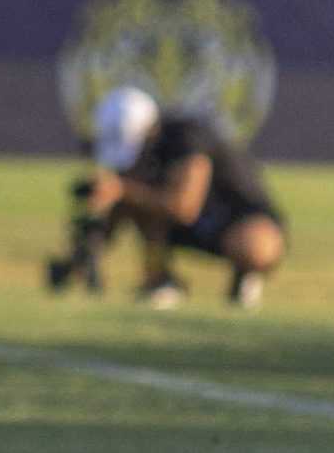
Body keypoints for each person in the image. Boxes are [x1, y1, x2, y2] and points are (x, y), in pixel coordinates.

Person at [82, 85, 285, 310]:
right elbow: (122, 200)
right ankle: (159, 279)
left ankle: (244, 277)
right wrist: (91, 242)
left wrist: (122, 190)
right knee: (136, 197)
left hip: (235, 221)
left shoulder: (188, 138)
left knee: (255, 246)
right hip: (183, 227)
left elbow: (183, 208)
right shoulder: (138, 154)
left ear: (148, 129)